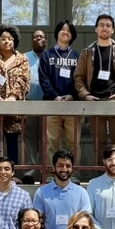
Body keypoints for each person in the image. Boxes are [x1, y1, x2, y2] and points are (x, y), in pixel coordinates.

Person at [74, 13, 115, 157]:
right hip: (95, 102)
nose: (104, 28)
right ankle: (99, 175)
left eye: (108, 26)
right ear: (96, 29)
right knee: (98, 143)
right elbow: (78, 77)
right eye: (101, 25)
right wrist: (86, 95)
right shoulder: (87, 52)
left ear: (113, 30)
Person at [0, 24, 31, 165]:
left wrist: (13, 97)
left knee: (13, 142)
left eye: (10, 38)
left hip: (14, 111)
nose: (7, 41)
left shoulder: (22, 60)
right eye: (3, 39)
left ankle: (12, 173)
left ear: (14, 41)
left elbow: (24, 80)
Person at [37, 20, 80, 161]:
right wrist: (54, 96)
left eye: (69, 30)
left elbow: (80, 79)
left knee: (74, 143)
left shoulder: (77, 56)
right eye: (62, 29)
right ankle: (50, 173)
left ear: (72, 35)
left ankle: (74, 173)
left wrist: (73, 95)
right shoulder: (47, 55)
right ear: (57, 33)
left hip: (72, 106)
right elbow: (43, 79)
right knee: (51, 143)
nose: (65, 32)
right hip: (52, 105)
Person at [33, 149, 91, 229]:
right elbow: (38, 223)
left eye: (68, 166)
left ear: (72, 168)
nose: (64, 169)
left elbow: (86, 222)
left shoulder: (81, 193)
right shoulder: (41, 193)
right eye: (60, 165)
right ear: (53, 167)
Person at [22, 29, 47, 177]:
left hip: (48, 103)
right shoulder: (24, 58)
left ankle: (46, 172)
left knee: (46, 139)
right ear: (32, 40)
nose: (39, 38)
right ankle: (30, 174)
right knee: (30, 139)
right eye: (36, 36)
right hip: (30, 102)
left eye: (41, 36)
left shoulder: (51, 57)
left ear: (46, 39)